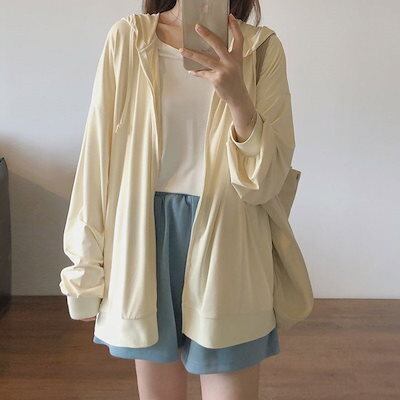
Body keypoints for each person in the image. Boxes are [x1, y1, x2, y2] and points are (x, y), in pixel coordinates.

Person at [59, 1, 301, 398]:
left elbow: (266, 181)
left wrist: (238, 96)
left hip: (230, 243)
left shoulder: (261, 48)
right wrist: (84, 272)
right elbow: (96, 163)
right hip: (143, 244)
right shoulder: (129, 39)